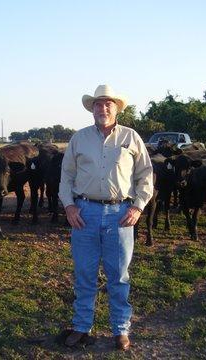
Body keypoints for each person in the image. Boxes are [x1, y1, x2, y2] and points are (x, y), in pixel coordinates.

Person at [59, 85, 153, 350]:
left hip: (120, 214)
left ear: (116, 108)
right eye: (98, 105)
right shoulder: (79, 139)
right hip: (84, 213)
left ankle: (120, 330)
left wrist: (137, 207)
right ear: (92, 109)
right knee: (85, 273)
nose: (103, 109)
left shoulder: (131, 137)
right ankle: (81, 327)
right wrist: (69, 206)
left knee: (118, 275)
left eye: (108, 104)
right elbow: (66, 176)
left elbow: (145, 175)